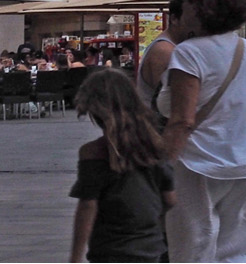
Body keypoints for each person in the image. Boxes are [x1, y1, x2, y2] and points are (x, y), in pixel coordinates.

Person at [160, 0, 246, 263]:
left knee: (192, 249)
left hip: (199, 163)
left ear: (199, 8)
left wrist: (161, 167)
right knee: (233, 251)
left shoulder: (188, 53)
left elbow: (182, 120)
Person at [69, 68, 176, 264]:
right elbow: (169, 199)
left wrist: (75, 258)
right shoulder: (155, 146)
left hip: (110, 249)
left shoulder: (94, 153)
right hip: (151, 247)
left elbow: (87, 206)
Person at [137, 0, 190, 124]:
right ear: (174, 19)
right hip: (158, 131)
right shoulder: (165, 51)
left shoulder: (171, 47)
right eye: (191, 19)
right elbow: (171, 103)